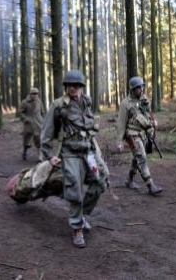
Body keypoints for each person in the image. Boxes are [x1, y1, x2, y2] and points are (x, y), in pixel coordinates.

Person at [41, 69, 109, 248]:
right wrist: (49, 156)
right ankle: (77, 228)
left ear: (81, 87)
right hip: (70, 153)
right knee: (74, 189)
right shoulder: (58, 105)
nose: (74, 88)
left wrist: (95, 149)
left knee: (102, 180)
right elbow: (46, 132)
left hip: (89, 150)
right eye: (71, 85)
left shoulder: (87, 101)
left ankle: (82, 214)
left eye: (77, 85)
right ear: (66, 87)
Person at [116, 76, 163, 195]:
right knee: (141, 157)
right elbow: (121, 123)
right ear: (132, 89)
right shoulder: (125, 104)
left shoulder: (144, 100)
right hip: (132, 135)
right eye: (138, 88)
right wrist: (119, 142)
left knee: (137, 157)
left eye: (142, 87)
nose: (141, 89)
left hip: (143, 133)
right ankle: (150, 185)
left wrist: (153, 123)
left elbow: (148, 114)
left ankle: (130, 180)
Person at [19, 87, 45, 161]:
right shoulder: (25, 102)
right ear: (30, 94)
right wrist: (25, 118)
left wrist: (43, 120)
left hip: (38, 123)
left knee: (39, 139)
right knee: (26, 140)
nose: (35, 95)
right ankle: (24, 152)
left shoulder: (39, 102)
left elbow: (42, 112)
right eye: (33, 94)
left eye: (36, 94)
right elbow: (21, 112)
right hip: (29, 123)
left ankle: (40, 156)